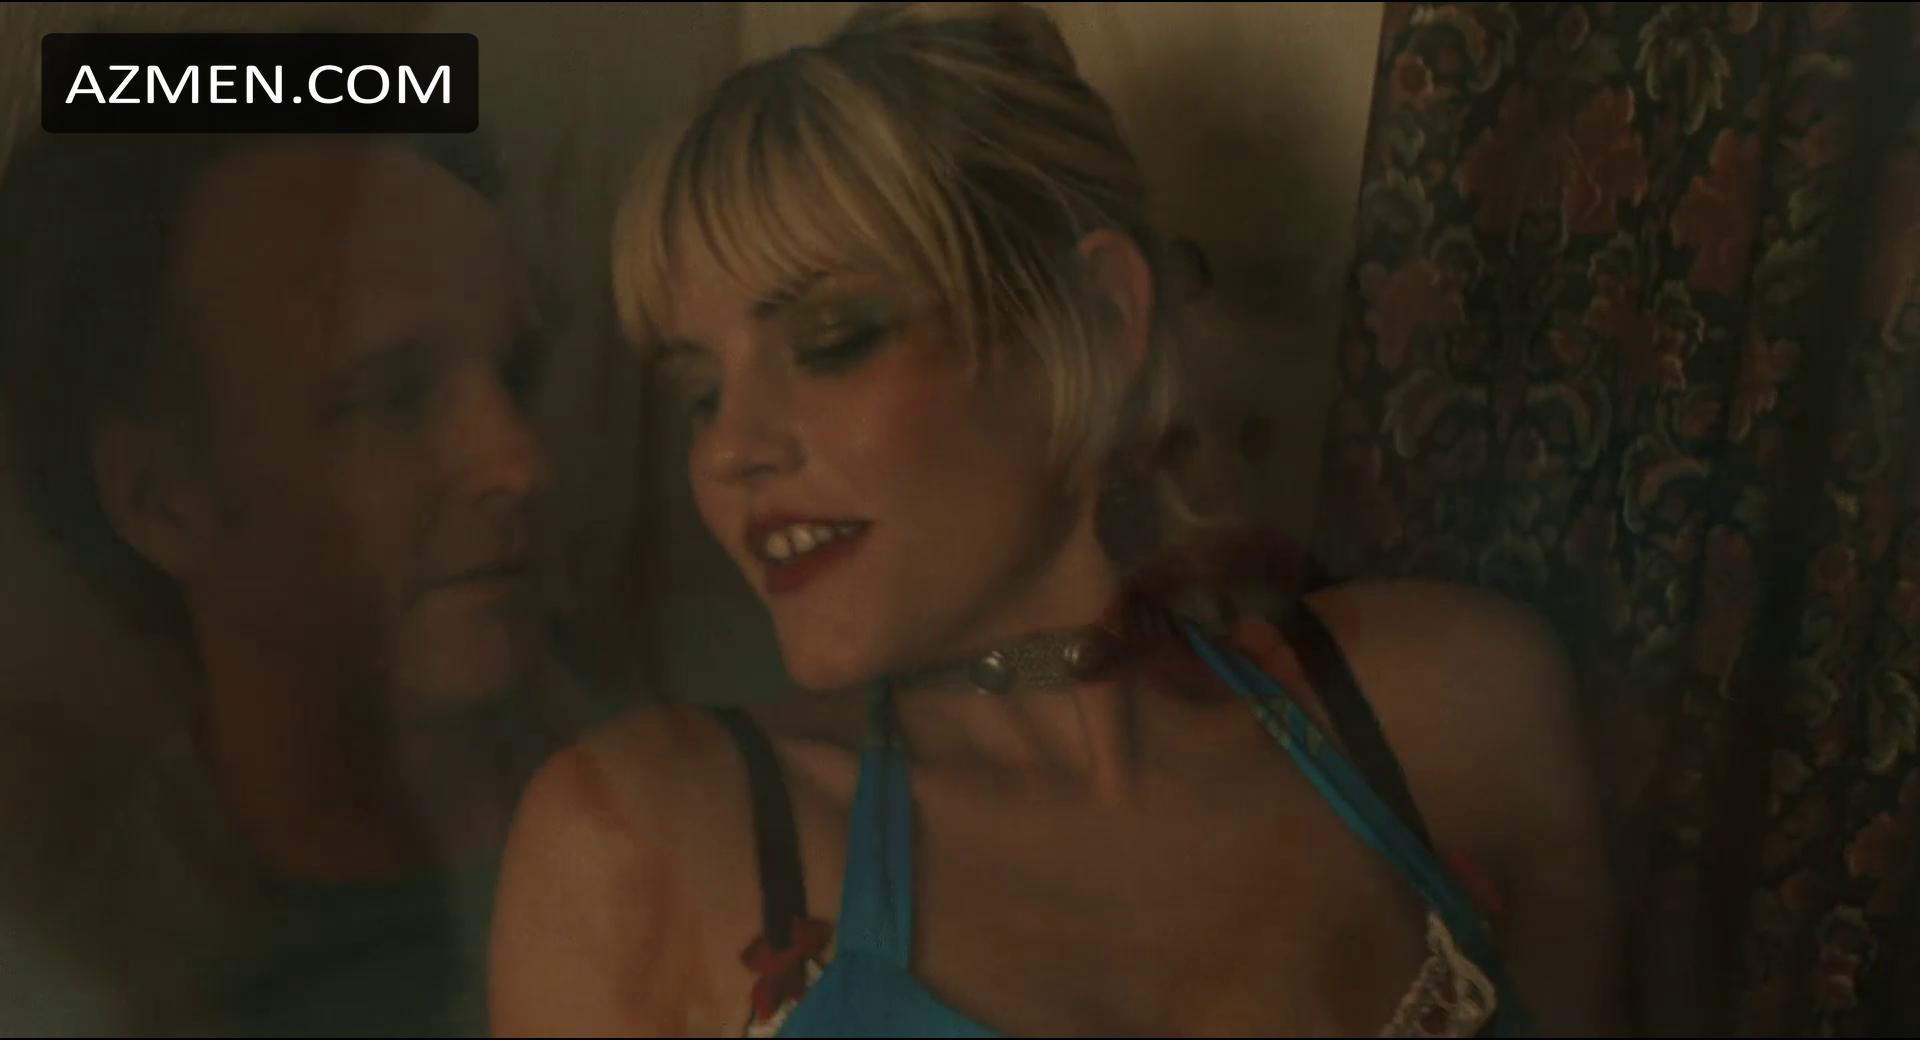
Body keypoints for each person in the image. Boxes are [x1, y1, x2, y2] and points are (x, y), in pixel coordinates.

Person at [489, 3, 1623, 1036]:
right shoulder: (649, 835)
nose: (729, 448)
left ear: (1099, 318)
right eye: (700, 393)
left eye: (835, 339)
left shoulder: (1451, 711)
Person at [0, 128, 567, 1035]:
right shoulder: (93, 988)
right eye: (392, 396)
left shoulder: (718, 768)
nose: (518, 462)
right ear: (162, 500)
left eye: (517, 375)